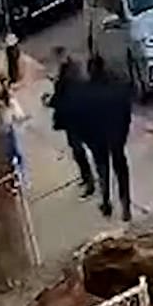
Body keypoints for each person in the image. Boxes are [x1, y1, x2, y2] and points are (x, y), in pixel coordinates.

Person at [86, 54, 133, 222]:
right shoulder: (115, 85)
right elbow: (125, 110)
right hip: (116, 135)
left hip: (100, 138)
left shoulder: (89, 92)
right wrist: (123, 132)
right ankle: (125, 205)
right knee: (121, 169)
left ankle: (106, 202)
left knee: (103, 170)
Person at [47, 47, 96, 198]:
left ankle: (90, 182)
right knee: (78, 149)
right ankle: (87, 177)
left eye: (57, 58)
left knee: (79, 149)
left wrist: (51, 101)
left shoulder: (69, 75)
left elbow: (64, 96)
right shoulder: (71, 71)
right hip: (75, 118)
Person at [0, 72, 29, 188]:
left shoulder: (9, 99)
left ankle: (20, 179)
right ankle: (11, 180)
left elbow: (18, 114)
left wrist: (20, 116)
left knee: (18, 155)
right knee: (6, 158)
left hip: (10, 131)